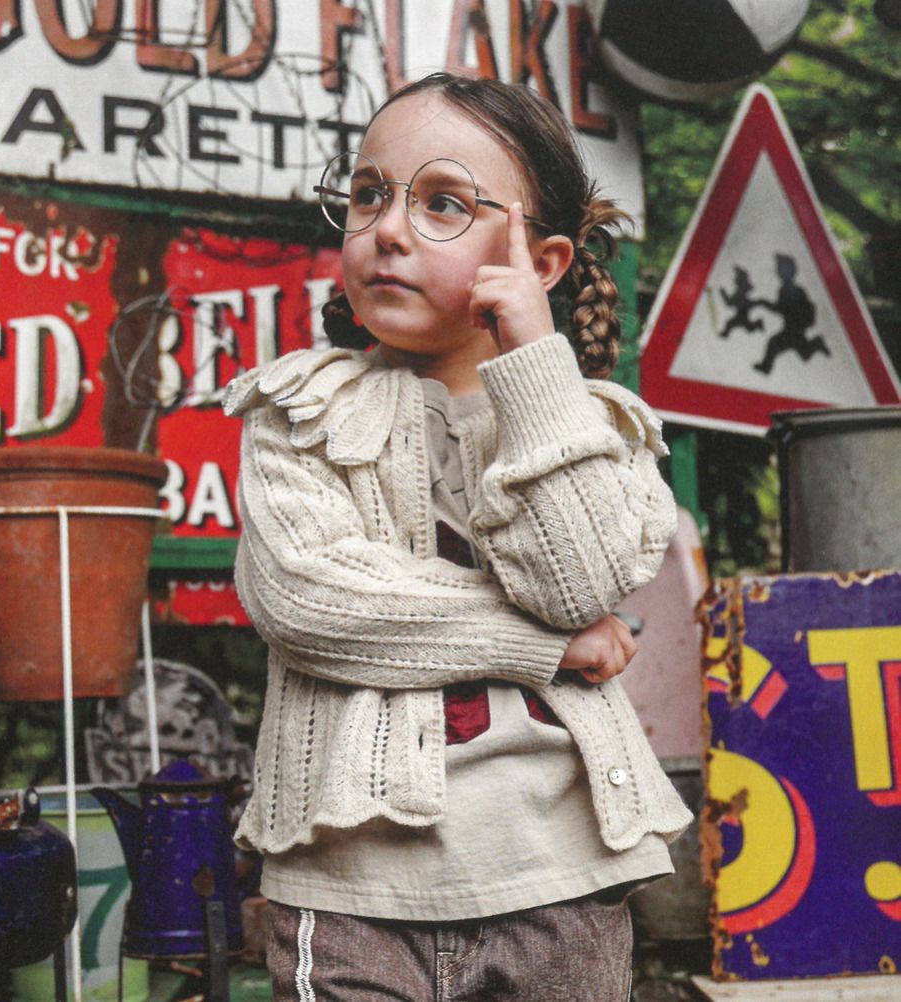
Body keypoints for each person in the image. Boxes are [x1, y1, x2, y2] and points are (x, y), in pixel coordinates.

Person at [223, 72, 693, 1002]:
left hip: (561, 884)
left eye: (442, 203)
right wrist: (546, 646)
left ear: (542, 262)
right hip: (348, 893)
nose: (388, 229)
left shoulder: (600, 427)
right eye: (369, 194)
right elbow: (311, 601)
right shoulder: (297, 412)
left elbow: (575, 581)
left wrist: (535, 369)